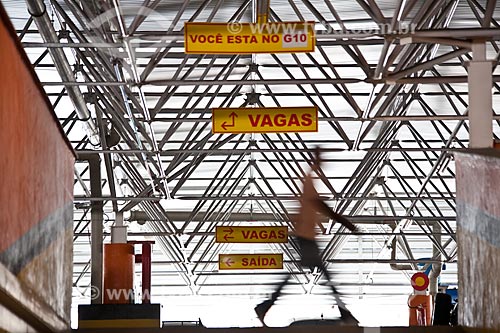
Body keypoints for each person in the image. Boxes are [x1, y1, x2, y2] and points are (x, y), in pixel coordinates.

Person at [254, 147, 360, 326]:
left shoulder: (310, 178)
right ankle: (345, 314)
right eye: (320, 157)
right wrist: (345, 223)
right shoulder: (309, 178)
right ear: (315, 158)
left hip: (306, 235)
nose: (323, 161)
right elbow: (318, 205)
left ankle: (266, 305)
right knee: (325, 276)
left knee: (314, 275)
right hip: (306, 236)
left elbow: (310, 207)